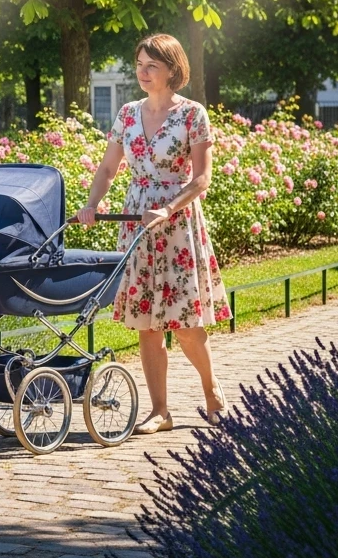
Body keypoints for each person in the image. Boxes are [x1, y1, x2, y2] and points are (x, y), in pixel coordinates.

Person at [77, 33, 230, 432]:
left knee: (187, 326)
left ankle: (211, 392)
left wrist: (167, 207)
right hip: (137, 224)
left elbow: (202, 179)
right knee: (146, 323)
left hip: (176, 223)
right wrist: (92, 204)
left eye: (152, 66)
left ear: (172, 70)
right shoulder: (128, 113)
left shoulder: (192, 114)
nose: (143, 73)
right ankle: (160, 411)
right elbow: (109, 168)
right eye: (140, 65)